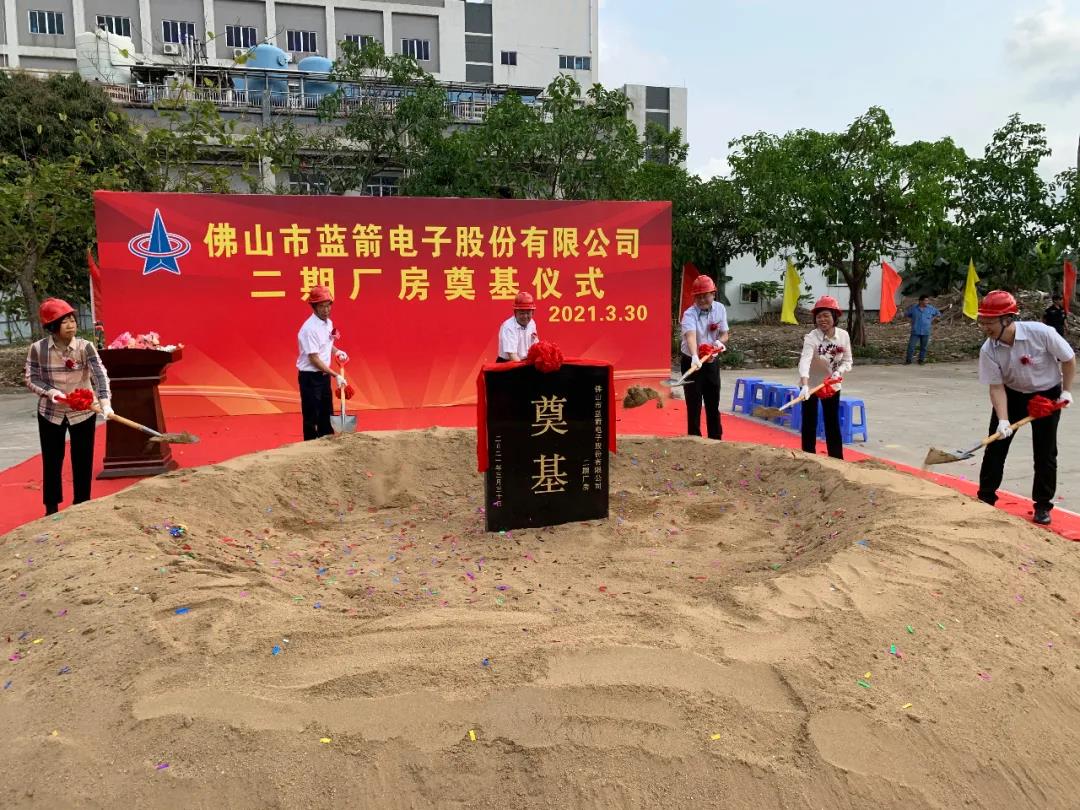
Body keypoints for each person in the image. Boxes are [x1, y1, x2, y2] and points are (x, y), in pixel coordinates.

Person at [976, 290, 1074, 525]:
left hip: (1046, 396)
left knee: (1045, 452)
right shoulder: (989, 349)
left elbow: (1068, 359)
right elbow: (996, 387)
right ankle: (985, 498)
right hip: (1012, 395)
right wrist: (1003, 419)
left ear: (1007, 319)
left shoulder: (1041, 333)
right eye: (983, 321)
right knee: (996, 447)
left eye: (990, 322)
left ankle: (1043, 505)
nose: (985, 327)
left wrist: (1066, 391)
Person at [24, 298, 113, 515]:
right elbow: (31, 378)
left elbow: (99, 375)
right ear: (52, 326)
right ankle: (51, 508)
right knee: (52, 460)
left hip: (83, 411)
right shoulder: (38, 349)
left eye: (72, 320)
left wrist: (105, 403)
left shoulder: (85, 347)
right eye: (64, 322)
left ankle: (82, 504)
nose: (71, 325)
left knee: (83, 458)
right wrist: (51, 393)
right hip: (50, 412)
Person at [797, 295, 852, 460]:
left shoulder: (843, 336)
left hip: (831, 384)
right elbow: (805, 361)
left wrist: (839, 371)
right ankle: (808, 458)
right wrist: (805, 385)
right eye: (819, 316)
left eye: (826, 315)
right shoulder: (811, 337)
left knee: (832, 422)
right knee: (809, 422)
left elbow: (848, 361)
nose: (822, 319)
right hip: (811, 384)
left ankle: (836, 459)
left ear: (834, 317)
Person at [679, 275, 729, 440]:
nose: (701, 300)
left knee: (713, 402)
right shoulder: (689, 314)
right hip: (692, 362)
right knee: (694, 404)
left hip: (711, 360)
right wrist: (695, 355)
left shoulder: (720, 309)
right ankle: (694, 439)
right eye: (698, 296)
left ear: (713, 294)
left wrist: (719, 343)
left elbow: (724, 333)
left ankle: (716, 439)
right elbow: (691, 336)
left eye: (705, 296)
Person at [296, 285, 348, 440]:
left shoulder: (328, 323)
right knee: (312, 416)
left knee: (326, 413)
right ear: (314, 307)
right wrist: (335, 375)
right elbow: (314, 358)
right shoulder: (309, 329)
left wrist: (337, 351)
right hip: (310, 378)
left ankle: (327, 446)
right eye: (321, 306)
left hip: (324, 376)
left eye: (328, 305)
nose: (326, 310)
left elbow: (326, 344)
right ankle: (310, 448)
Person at [497, 291, 539, 362]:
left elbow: (535, 345)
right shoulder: (508, 327)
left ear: (533, 312)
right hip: (508, 362)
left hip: (524, 361)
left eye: (528, 313)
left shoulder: (532, 323)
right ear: (515, 312)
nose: (525, 316)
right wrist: (523, 368)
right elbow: (512, 355)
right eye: (522, 313)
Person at [904, 294, 941, 365]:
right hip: (915, 330)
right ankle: (908, 360)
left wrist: (934, 320)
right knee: (911, 346)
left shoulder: (930, 308)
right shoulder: (914, 308)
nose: (927, 302)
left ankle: (921, 360)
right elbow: (906, 315)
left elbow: (938, 314)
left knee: (923, 347)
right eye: (925, 300)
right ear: (920, 301)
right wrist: (910, 320)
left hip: (926, 330)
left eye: (927, 300)